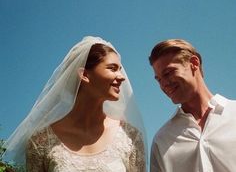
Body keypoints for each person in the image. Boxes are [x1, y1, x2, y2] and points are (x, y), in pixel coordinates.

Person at [3, 36, 147, 171]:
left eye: (120, 70)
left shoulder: (129, 137)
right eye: (112, 68)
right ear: (84, 74)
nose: (121, 77)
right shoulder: (41, 142)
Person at [148, 38, 236, 172]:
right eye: (158, 79)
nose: (163, 84)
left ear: (194, 63)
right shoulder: (162, 140)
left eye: (168, 73)